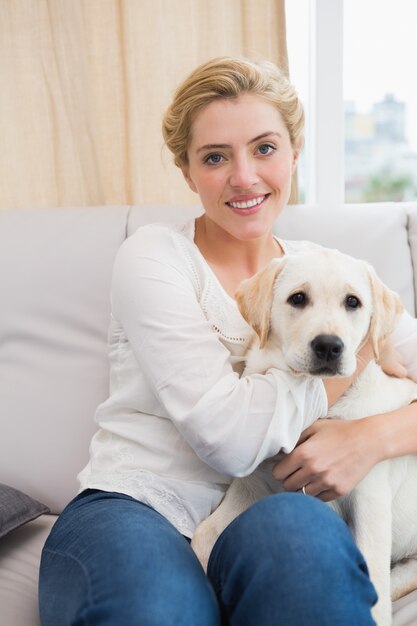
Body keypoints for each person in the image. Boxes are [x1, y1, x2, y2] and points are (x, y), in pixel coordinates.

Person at [39, 56, 417, 626]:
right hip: (141, 508)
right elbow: (229, 440)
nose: (244, 176)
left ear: (294, 154)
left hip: (274, 511)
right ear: (188, 173)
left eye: (265, 148)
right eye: (215, 157)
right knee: (154, 611)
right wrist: (358, 356)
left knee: (305, 558)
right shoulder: (154, 257)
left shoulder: (331, 279)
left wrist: (374, 436)